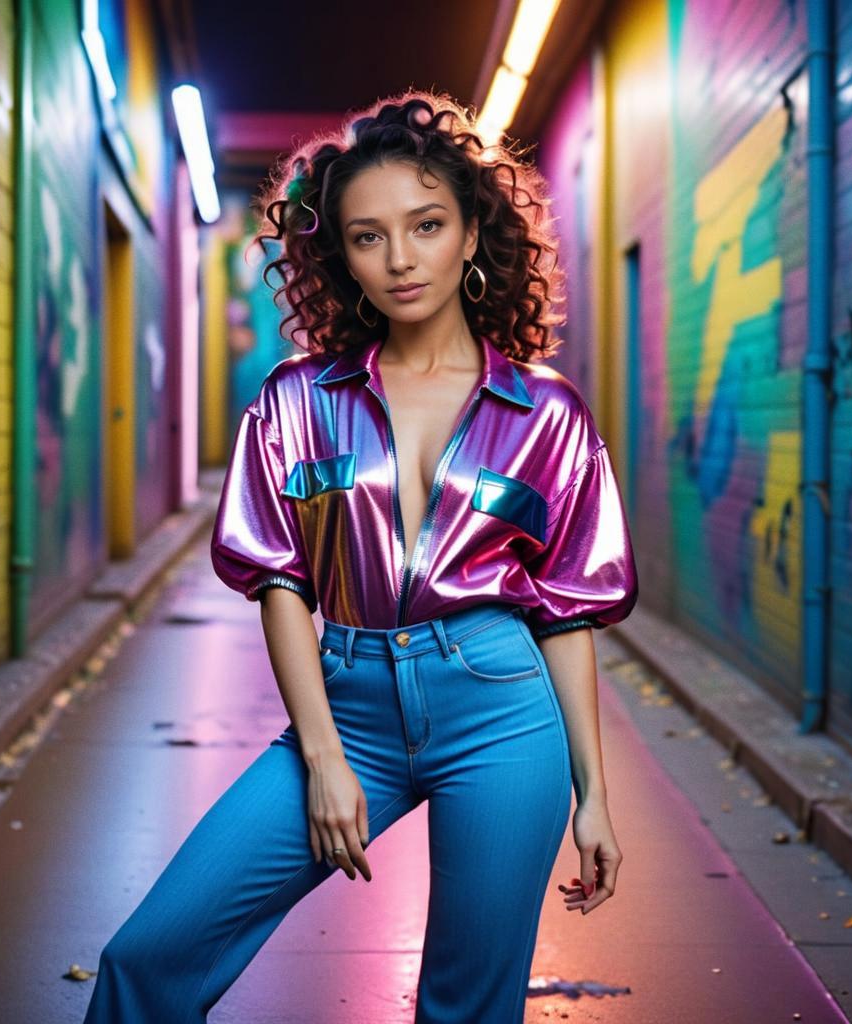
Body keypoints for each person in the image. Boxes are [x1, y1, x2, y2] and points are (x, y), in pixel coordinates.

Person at [82, 89, 638, 1024]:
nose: (401, 258)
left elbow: (565, 613)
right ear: (339, 255)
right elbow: (281, 583)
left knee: (465, 1004)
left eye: (426, 225)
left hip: (503, 710)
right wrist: (323, 755)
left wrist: (593, 795)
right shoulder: (297, 399)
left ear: (472, 235)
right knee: (150, 955)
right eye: (367, 236)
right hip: (350, 705)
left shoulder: (550, 415)